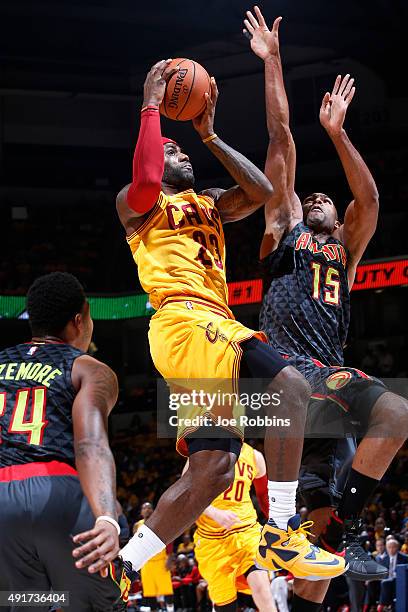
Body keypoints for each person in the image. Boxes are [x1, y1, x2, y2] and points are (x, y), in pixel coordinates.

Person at [73, 58, 346, 590]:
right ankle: (284, 527)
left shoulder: (213, 204)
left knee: (214, 470)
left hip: (202, 334)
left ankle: (124, 567)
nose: (180, 154)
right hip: (186, 320)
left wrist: (209, 134)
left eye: (182, 150)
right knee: (288, 382)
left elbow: (265, 190)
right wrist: (151, 108)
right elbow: (149, 173)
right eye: (172, 148)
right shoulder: (138, 206)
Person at [243, 5, 408, 609]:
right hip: (279, 375)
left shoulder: (346, 246)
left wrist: (339, 135)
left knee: (396, 416)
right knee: (286, 527)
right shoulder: (283, 231)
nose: (314, 196)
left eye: (324, 198)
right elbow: (281, 139)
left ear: (338, 221)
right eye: (307, 195)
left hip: (331, 378)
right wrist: (274, 63)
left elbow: (370, 196)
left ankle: (348, 523)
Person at [0, 272, 125, 612]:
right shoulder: (89, 369)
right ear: (80, 318)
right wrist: (106, 518)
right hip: (56, 493)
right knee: (94, 603)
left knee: (27, 602)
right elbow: (91, 445)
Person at [186, 442, 276, 611]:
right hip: (212, 541)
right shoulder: (201, 453)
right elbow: (186, 493)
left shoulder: (255, 456)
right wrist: (214, 513)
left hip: (247, 532)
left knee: (262, 588)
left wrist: (280, 525)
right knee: (225, 605)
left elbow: (264, 498)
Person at [133, 502, 174, 612]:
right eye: (144, 507)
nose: (147, 509)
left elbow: (169, 539)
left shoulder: (161, 522)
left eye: (149, 507)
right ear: (141, 512)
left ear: (153, 510)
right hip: (146, 563)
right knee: (149, 592)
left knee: (167, 590)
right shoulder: (137, 526)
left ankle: (171, 609)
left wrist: (170, 557)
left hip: (161, 561)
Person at [376, 538, 408, 610]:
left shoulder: (404, 558)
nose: (391, 549)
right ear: (386, 548)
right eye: (389, 547)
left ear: (397, 547)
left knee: (385, 583)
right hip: (387, 579)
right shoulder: (384, 558)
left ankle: (382, 604)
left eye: (393, 547)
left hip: (399, 579)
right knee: (376, 583)